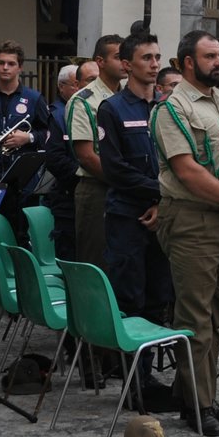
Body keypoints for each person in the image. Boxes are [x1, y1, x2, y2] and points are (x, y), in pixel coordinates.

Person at [151, 30, 219, 437]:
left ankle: (191, 392)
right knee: (195, 315)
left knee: (218, 313)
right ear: (187, 63)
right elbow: (187, 171)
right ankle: (200, 405)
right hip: (194, 219)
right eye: (210, 56)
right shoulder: (172, 109)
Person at [97, 31, 173, 328]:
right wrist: (160, 192)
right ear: (127, 65)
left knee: (159, 293)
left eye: (157, 57)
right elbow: (115, 169)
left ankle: (147, 369)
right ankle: (130, 371)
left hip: (163, 212)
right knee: (129, 296)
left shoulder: (168, 106)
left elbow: (177, 161)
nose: (155, 64)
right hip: (127, 215)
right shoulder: (112, 108)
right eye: (146, 58)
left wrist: (161, 200)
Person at [68, 35, 125, 270]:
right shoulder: (83, 100)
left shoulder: (130, 98)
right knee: (96, 263)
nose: (126, 62)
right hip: (97, 189)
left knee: (124, 262)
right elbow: (87, 156)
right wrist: (129, 182)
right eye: (119, 57)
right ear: (100, 61)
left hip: (127, 189)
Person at [0, 39, 52, 184]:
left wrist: (29, 138)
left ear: (20, 67)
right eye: (1, 63)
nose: (5, 67)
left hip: (21, 175)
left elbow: (48, 133)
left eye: (11, 64)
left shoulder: (34, 98)